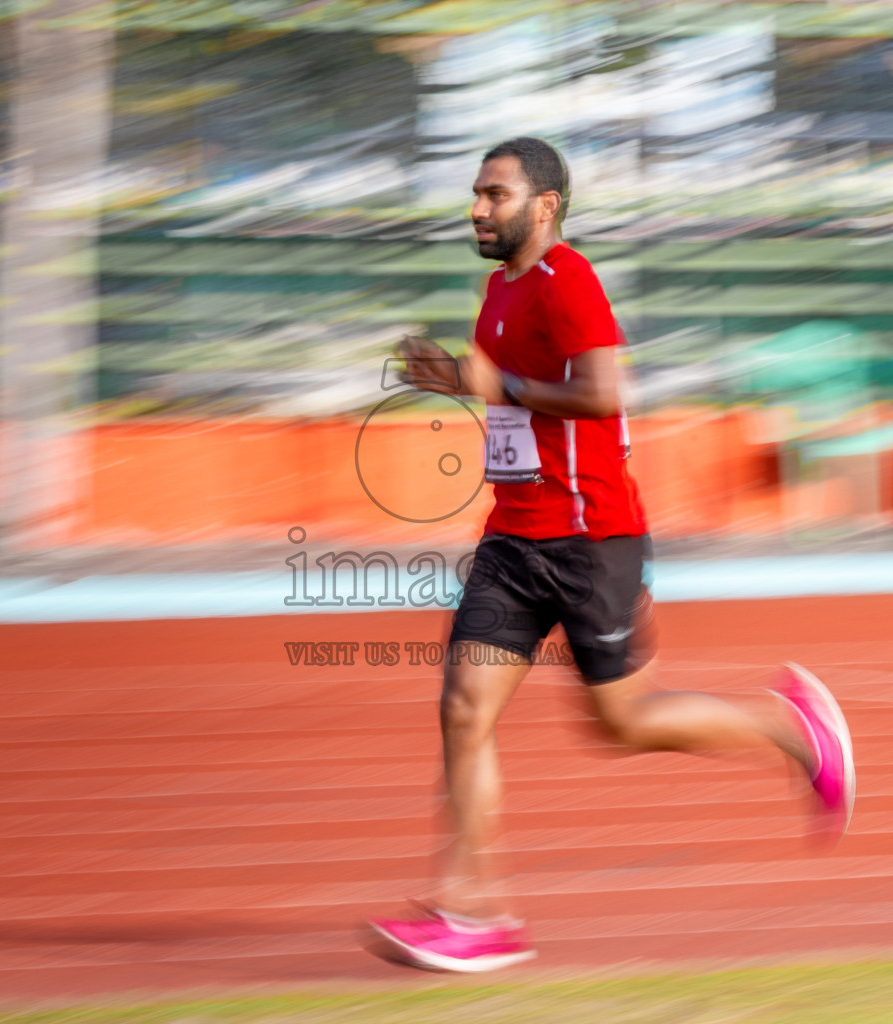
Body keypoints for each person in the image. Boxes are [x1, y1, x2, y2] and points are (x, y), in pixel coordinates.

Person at [366, 137, 854, 973]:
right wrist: (455, 378)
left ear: (544, 206)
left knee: (625, 723)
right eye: (475, 194)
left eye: (494, 194)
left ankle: (799, 736)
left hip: (592, 542)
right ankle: (475, 915)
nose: (477, 209)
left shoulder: (572, 282)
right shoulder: (496, 294)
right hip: (512, 539)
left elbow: (603, 394)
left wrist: (499, 387)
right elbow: (508, 398)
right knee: (462, 713)